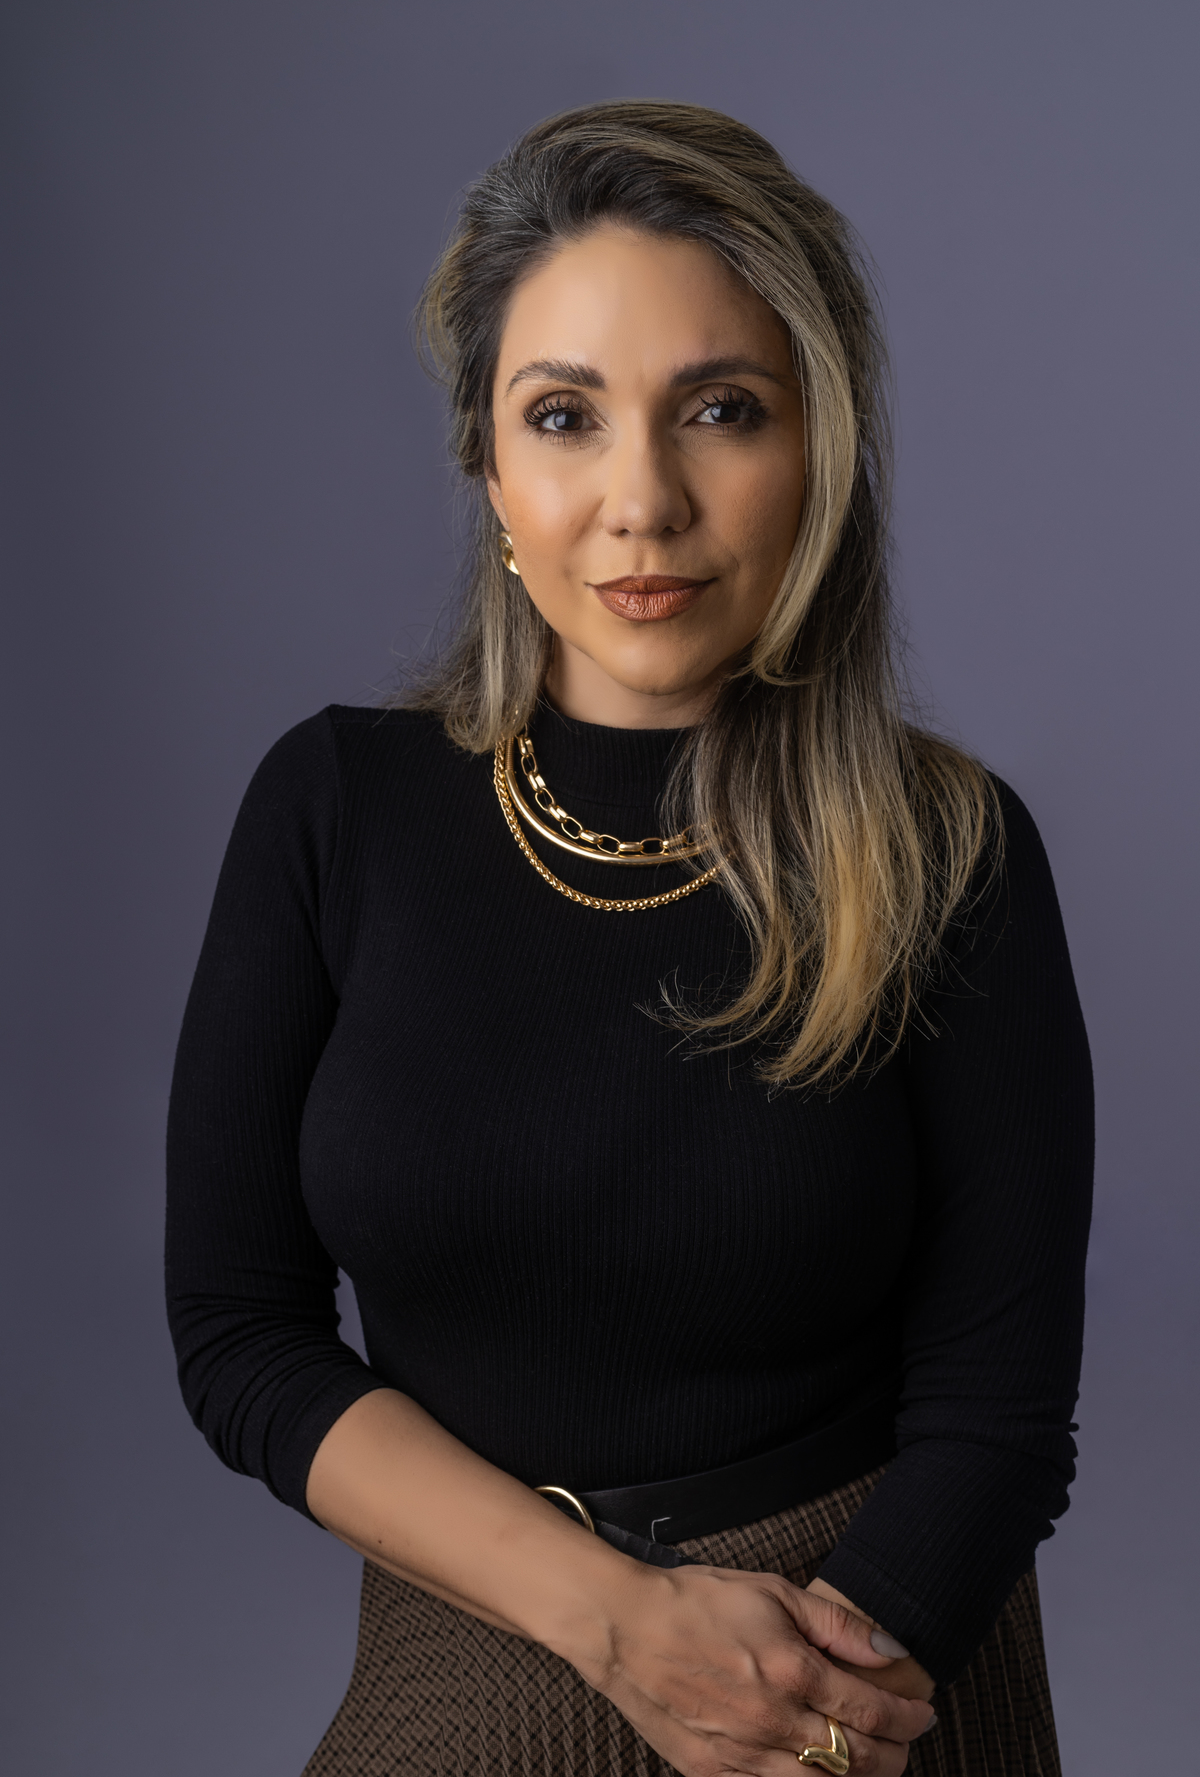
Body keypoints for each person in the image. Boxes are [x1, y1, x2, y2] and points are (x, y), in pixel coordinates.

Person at [165, 101, 1093, 1776]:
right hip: (478, 1640)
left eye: (722, 411)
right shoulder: (332, 810)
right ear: (490, 467)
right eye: (565, 417)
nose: (642, 503)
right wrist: (616, 1621)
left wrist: (802, 1710)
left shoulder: (948, 851)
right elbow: (240, 1333)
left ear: (819, 449)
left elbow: (1001, 1420)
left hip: (869, 1672)